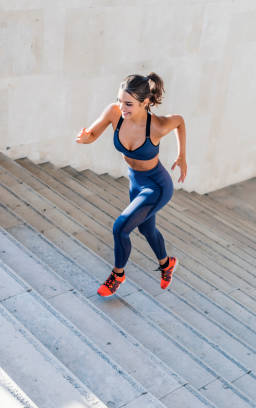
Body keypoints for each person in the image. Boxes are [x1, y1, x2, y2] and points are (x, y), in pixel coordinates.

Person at [75, 73, 187, 297]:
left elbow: (180, 121)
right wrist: (87, 139)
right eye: (119, 100)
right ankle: (167, 264)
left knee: (120, 228)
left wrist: (182, 155)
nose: (121, 107)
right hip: (136, 182)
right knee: (146, 228)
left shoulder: (156, 126)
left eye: (128, 104)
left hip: (157, 186)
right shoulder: (114, 113)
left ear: (145, 102)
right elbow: (93, 133)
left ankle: (117, 275)